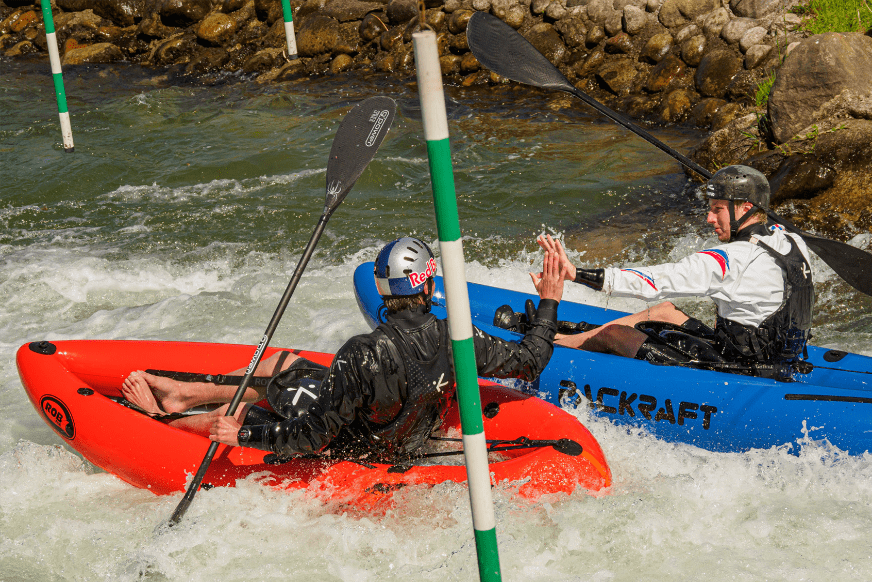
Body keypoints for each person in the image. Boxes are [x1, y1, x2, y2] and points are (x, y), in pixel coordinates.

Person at [121, 236, 569, 461]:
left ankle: (162, 418)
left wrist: (242, 436)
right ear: (427, 284)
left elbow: (313, 437)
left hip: (359, 447)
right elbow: (530, 360)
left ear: (383, 289)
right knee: (284, 363)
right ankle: (184, 392)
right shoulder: (458, 338)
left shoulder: (362, 353)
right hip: (403, 433)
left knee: (244, 409)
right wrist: (549, 299)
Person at [536, 164, 814, 381]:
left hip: (738, 370)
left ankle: (550, 348)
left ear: (745, 208)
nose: (709, 218)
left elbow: (654, 282)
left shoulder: (732, 258)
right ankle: (568, 337)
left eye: (717, 210)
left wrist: (576, 274)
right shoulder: (791, 241)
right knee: (665, 311)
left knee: (615, 334)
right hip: (779, 359)